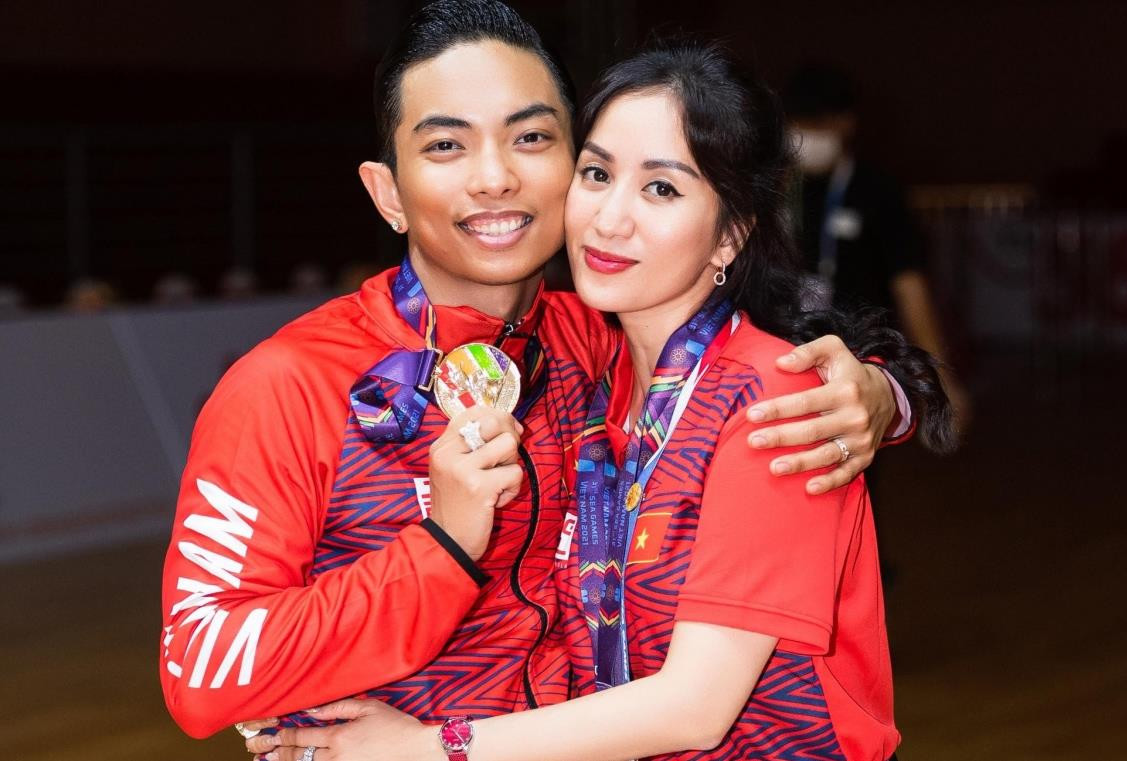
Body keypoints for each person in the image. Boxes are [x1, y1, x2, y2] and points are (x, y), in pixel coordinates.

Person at [161, 0, 918, 743]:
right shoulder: (288, 385)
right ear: (388, 192)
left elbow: (765, 356)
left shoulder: (597, 337)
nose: (495, 178)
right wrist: (440, 548)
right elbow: (199, 671)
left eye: (530, 137)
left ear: (570, 165)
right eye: (446, 146)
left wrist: (883, 393)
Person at [785, 65, 971, 432]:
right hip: (787, 351)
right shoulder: (773, 189)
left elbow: (909, 284)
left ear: (846, 123)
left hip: (861, 355)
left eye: (819, 124)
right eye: (799, 125)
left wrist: (941, 379)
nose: (808, 136)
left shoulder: (878, 191)